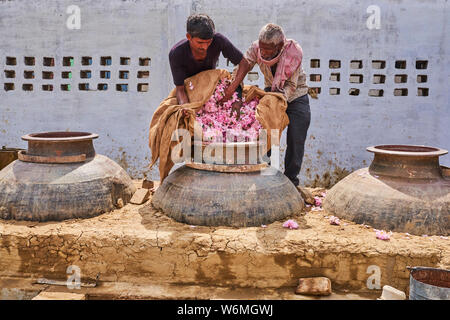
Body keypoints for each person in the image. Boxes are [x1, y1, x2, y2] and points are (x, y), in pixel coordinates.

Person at [227, 23, 311, 187]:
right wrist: (235, 92)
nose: (263, 52)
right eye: (262, 48)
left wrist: (278, 100)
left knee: (296, 139)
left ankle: (291, 182)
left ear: (279, 46)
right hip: (270, 91)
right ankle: (267, 179)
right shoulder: (256, 48)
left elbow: (290, 86)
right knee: (267, 136)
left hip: (296, 96)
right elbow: (242, 68)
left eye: (268, 50)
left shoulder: (293, 52)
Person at [169, 13, 249, 105]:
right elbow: (180, 89)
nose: (205, 47)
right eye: (200, 42)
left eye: (208, 42)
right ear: (189, 37)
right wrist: (186, 109)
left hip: (211, 87)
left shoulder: (218, 40)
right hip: (190, 91)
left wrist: (231, 89)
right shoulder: (177, 53)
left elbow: (244, 64)